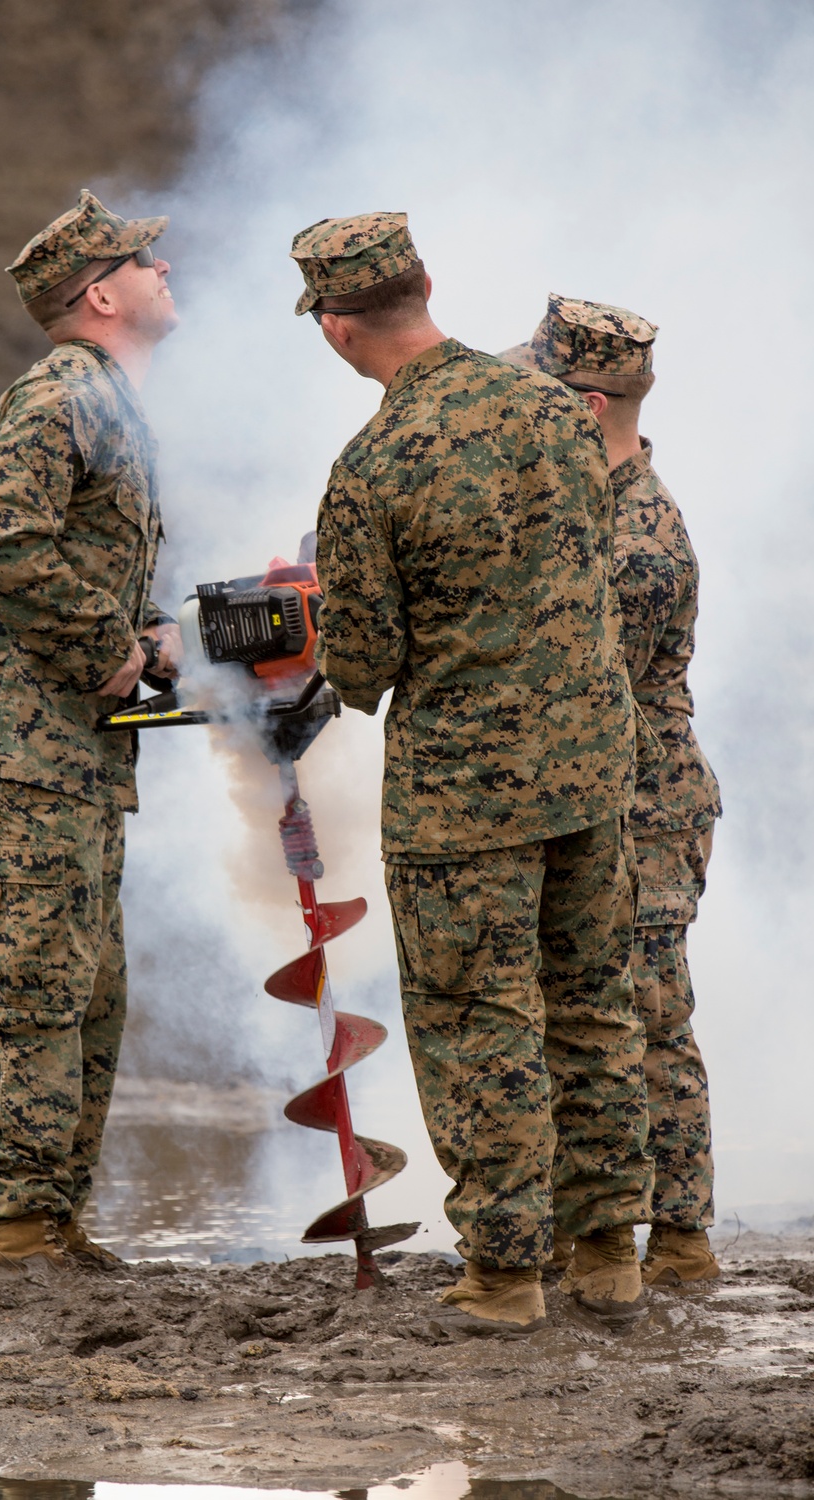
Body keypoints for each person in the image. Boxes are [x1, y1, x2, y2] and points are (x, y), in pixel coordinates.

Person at [290, 213, 654, 1334]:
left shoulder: (371, 467)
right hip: (591, 769)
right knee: (592, 1004)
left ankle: (503, 1275)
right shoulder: (555, 409)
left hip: (463, 798)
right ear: (429, 285)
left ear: (337, 329)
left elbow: (361, 662)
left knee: (474, 1017)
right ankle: (607, 1255)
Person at [0, 190, 181, 1274]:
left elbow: (85, 553)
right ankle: (20, 1234)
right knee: (34, 990)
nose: (166, 274)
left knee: (89, 994)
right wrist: (112, 654)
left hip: (73, 753)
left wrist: (156, 629)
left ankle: (57, 1222)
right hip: (19, 747)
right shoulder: (65, 391)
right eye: (144, 263)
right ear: (102, 293)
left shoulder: (113, 401)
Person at [502, 297, 722, 1285]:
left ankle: (675, 1242)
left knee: (644, 1016)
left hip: (645, 811)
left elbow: (565, 675)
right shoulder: (587, 507)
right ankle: (593, 1224)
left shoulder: (636, 543)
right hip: (604, 803)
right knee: (587, 1013)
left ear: (585, 408)